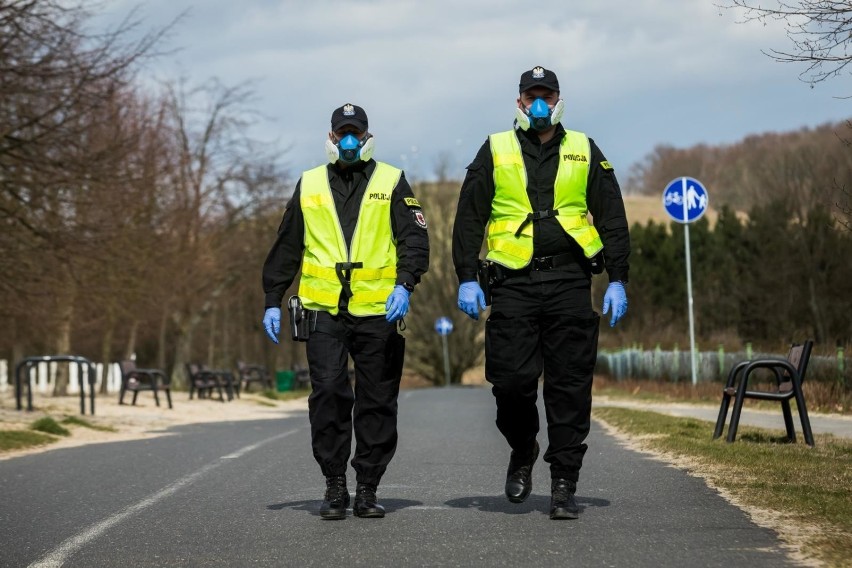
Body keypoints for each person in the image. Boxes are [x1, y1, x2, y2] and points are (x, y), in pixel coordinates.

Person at [452, 66, 630, 520]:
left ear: (558, 101)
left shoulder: (584, 149)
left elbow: (611, 215)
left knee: (570, 388)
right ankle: (524, 446)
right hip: (512, 283)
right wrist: (467, 275)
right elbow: (469, 216)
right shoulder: (495, 149)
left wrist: (618, 279)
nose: (538, 104)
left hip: (570, 281)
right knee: (511, 384)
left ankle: (564, 483)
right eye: (531, 96)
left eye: (546, 96)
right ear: (518, 102)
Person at [261, 103, 429, 520]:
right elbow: (287, 246)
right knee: (330, 396)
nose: (349, 141)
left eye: (356, 133)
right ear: (332, 137)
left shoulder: (391, 180)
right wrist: (272, 298)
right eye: (343, 133)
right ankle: (335, 484)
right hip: (323, 311)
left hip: (378, 311)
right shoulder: (310, 183)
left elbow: (415, 238)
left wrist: (405, 284)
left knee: (377, 401)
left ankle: (368, 488)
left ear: (367, 136)